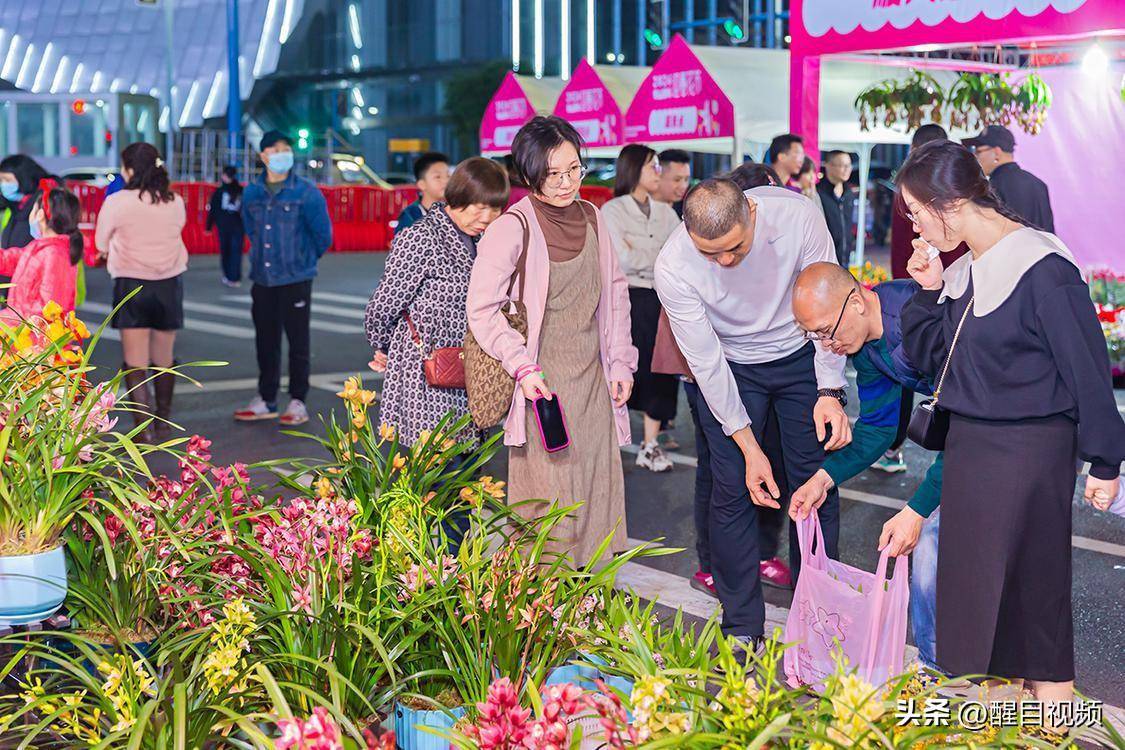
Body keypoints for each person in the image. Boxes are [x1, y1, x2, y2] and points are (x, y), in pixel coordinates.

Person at [898, 140, 1124, 721]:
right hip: (974, 455)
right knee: (985, 618)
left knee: (1033, 605)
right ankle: (1010, 727)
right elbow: (931, 359)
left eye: (916, 214)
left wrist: (1105, 461)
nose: (914, 228)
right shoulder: (967, 269)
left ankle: (1054, 721)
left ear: (948, 206)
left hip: (1029, 455)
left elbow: (1088, 369)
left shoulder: (1044, 268)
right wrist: (926, 290)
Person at [654, 178, 850, 647]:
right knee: (732, 489)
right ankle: (742, 624)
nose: (724, 261)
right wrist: (748, 447)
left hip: (801, 353)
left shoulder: (797, 216)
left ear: (753, 214)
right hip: (731, 365)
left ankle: (819, 613)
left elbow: (830, 301)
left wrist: (830, 389)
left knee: (813, 482)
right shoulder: (674, 264)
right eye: (710, 254)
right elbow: (705, 363)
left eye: (734, 248)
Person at [466, 116, 637, 566]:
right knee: (549, 498)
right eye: (552, 174)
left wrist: (621, 363)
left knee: (598, 487)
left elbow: (616, 294)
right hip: (541, 384)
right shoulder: (512, 227)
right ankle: (544, 609)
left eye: (574, 169)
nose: (566, 183)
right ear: (528, 175)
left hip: (593, 379)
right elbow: (482, 308)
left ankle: (589, 598)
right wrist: (521, 367)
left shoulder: (594, 218)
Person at [788, 262, 945, 669]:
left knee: (934, 546)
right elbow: (876, 429)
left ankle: (952, 673)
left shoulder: (918, 317)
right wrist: (823, 479)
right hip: (973, 433)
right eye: (814, 336)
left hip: (1010, 427)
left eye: (826, 330)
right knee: (936, 550)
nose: (825, 344)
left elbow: (970, 419)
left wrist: (916, 509)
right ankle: (944, 669)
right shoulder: (869, 347)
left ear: (856, 301)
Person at [365, 157, 509, 447]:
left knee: (465, 472)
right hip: (426, 375)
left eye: (495, 208)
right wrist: (384, 347)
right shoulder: (420, 237)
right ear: (458, 198)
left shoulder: (484, 240)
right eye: (480, 207)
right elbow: (383, 305)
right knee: (431, 465)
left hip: (471, 372)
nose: (488, 216)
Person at [234, 130, 333, 427]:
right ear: (263, 156)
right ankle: (266, 399)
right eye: (275, 150)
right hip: (263, 279)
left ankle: (298, 400)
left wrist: (301, 261)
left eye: (286, 149)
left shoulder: (306, 192)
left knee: (298, 342)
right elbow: (251, 230)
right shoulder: (252, 193)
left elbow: (322, 237)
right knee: (266, 342)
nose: (282, 154)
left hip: (296, 279)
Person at [95, 143, 188, 440]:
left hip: (131, 285)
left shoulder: (118, 201)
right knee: (164, 358)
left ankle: (142, 430)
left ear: (131, 169)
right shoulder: (175, 200)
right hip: (169, 285)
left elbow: (100, 242)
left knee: (135, 361)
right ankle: (163, 420)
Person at [601, 145, 681, 473]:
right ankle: (611, 442)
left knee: (661, 370)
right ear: (634, 169)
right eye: (653, 166)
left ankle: (650, 445)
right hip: (628, 299)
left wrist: (645, 255)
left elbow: (678, 256)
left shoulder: (666, 213)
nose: (658, 172)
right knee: (624, 368)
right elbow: (619, 259)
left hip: (662, 298)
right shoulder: (612, 211)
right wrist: (656, 256)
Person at [0, 181, 82, 321]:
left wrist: (10, 318)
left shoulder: (55, 254)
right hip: (20, 330)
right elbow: (9, 260)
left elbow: (49, 310)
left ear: (40, 215)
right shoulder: (39, 247)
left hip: (33, 338)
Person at [963, 124, 1054, 233]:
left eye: (978, 152)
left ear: (997, 152)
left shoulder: (993, 187)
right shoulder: (1038, 183)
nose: (976, 157)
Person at [0, 155, 50, 250]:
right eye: (1, 180)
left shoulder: (44, 206)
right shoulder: (13, 206)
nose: (3, 185)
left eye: (7, 180)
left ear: (23, 178)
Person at [207, 165, 245, 287]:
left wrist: (208, 226)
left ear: (224, 175)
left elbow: (213, 210)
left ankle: (228, 275)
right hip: (238, 225)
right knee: (236, 252)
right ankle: (235, 277)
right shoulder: (241, 190)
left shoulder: (219, 191)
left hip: (223, 226)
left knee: (226, 251)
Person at [395, 152, 450, 236]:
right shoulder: (410, 216)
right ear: (422, 184)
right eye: (438, 177)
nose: (446, 181)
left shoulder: (454, 212)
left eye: (448, 176)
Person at [817, 150, 855, 267]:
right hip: (824, 261)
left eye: (848, 165)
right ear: (828, 166)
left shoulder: (849, 194)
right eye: (842, 165)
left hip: (845, 260)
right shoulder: (818, 193)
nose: (846, 169)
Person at [655, 149, 691, 217]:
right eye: (677, 180)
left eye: (686, 179)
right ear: (657, 176)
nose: (683, 186)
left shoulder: (687, 211)